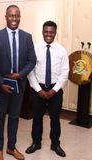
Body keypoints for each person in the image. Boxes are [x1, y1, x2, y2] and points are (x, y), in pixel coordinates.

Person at [0, 4, 36, 160]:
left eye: (17, 15)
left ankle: (11, 147)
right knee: (0, 117)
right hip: (2, 86)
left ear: (20, 17)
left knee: (15, 118)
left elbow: (32, 60)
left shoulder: (27, 37)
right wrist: (0, 83)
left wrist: (20, 75)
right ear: (6, 17)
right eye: (11, 15)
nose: (14, 18)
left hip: (19, 86)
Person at [26, 21, 69, 157]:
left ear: (55, 33)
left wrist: (54, 90)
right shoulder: (35, 48)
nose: (49, 34)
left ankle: (55, 144)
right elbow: (30, 71)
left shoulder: (61, 50)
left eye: (51, 32)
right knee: (37, 118)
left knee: (55, 119)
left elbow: (65, 72)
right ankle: (36, 143)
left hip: (55, 89)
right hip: (37, 87)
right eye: (46, 31)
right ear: (42, 32)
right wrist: (38, 89)